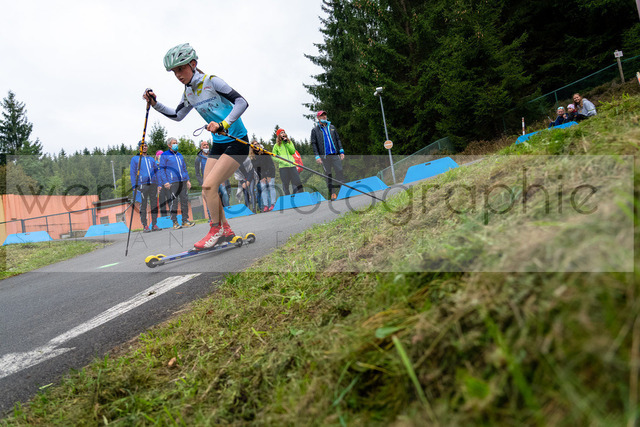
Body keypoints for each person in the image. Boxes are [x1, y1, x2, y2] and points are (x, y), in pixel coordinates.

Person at [143, 43, 249, 250]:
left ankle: (215, 230)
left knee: (209, 186)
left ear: (193, 64)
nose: (178, 75)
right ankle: (225, 229)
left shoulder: (212, 81)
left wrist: (223, 124)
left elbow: (242, 102)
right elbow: (177, 115)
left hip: (237, 141)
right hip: (219, 144)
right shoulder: (188, 92)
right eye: (174, 71)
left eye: (181, 69)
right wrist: (155, 104)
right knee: (207, 189)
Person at [158, 137, 194, 229]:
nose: (176, 144)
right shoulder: (165, 155)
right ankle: (174, 222)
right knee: (174, 202)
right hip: (172, 182)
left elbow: (184, 168)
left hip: (182, 181)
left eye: (176, 143)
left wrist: (188, 180)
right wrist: (165, 182)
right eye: (174, 143)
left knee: (184, 201)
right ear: (169, 145)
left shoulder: (180, 155)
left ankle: (185, 221)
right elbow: (162, 170)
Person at [310, 110, 345, 200]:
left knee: (339, 171)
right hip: (324, 157)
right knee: (328, 175)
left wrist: (341, 151)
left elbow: (338, 139)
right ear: (318, 118)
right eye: (322, 115)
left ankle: (343, 190)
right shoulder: (315, 130)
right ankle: (332, 193)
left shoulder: (332, 127)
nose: (324, 116)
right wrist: (317, 156)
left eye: (325, 115)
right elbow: (314, 144)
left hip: (334, 154)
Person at [129, 140, 160, 232]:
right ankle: (145, 225)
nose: (144, 147)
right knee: (143, 205)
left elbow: (156, 171)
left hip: (153, 184)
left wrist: (159, 184)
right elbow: (132, 173)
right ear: (139, 148)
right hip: (142, 185)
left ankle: (154, 224)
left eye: (146, 146)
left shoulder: (151, 159)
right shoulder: (135, 159)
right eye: (142, 146)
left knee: (154, 204)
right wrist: (134, 186)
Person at [273, 128, 303, 195]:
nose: (283, 133)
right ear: (278, 135)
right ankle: (288, 197)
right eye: (281, 133)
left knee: (297, 182)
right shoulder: (276, 146)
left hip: (292, 166)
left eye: (284, 132)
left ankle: (300, 195)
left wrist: (286, 143)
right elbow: (274, 157)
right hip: (283, 167)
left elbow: (292, 151)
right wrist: (282, 161)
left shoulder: (289, 142)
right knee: (286, 184)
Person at [251, 141, 276, 212]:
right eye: (254, 145)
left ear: (259, 145)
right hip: (261, 175)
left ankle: (273, 204)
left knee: (271, 187)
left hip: (270, 173)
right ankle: (266, 205)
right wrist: (262, 177)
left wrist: (269, 175)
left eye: (257, 144)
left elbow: (270, 164)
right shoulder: (253, 157)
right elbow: (256, 169)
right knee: (264, 189)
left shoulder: (265, 152)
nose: (256, 145)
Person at [154, 150, 170, 218]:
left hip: (167, 185)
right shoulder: (155, 165)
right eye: (160, 155)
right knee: (162, 203)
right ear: (157, 156)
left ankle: (173, 216)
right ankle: (164, 217)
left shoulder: (165, 164)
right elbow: (155, 176)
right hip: (160, 187)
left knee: (170, 201)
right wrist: (158, 185)